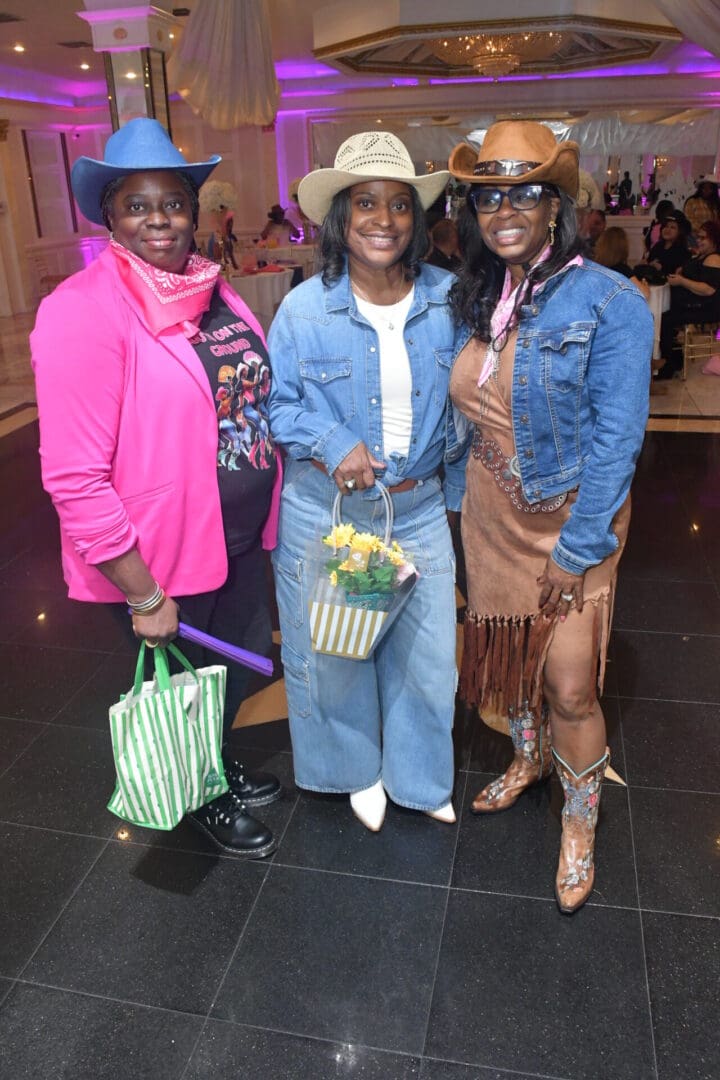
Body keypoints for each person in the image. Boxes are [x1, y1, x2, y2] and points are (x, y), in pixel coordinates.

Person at [30, 118, 283, 858]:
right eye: (136, 205)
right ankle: (197, 794)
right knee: (186, 684)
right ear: (108, 215)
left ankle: (216, 763)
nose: (158, 219)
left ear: (194, 210)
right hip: (160, 550)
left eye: (172, 201)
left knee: (226, 673)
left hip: (235, 534)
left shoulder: (210, 290)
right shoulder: (81, 310)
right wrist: (142, 592)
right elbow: (72, 477)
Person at [447, 120, 653, 913]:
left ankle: (580, 820)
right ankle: (528, 761)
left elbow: (616, 444)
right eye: (490, 195)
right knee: (511, 663)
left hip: (572, 524)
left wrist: (579, 545)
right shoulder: (475, 294)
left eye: (524, 193)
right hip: (489, 518)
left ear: (555, 205)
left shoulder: (609, 302)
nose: (505, 209)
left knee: (569, 685)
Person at [267, 131, 464, 832]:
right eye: (365, 203)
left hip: (417, 511)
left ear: (416, 217)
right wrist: (332, 440)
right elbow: (277, 404)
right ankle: (351, 770)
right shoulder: (305, 308)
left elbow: (468, 406)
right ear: (340, 219)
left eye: (399, 205)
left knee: (430, 661)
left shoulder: (449, 299)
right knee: (341, 652)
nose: (383, 219)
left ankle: (418, 776)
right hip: (339, 513)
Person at [656, 218, 720, 379]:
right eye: (698, 237)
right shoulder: (702, 255)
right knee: (663, 317)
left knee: (664, 320)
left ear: (714, 240)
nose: (698, 240)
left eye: (703, 238)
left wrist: (682, 281)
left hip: (705, 308)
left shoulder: (714, 259)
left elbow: (708, 290)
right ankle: (672, 360)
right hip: (692, 304)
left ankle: (669, 364)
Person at [643, 212, 691, 277]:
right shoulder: (658, 246)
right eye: (666, 226)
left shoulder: (683, 252)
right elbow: (648, 261)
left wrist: (662, 268)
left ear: (680, 231)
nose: (667, 230)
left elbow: (679, 273)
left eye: (672, 227)